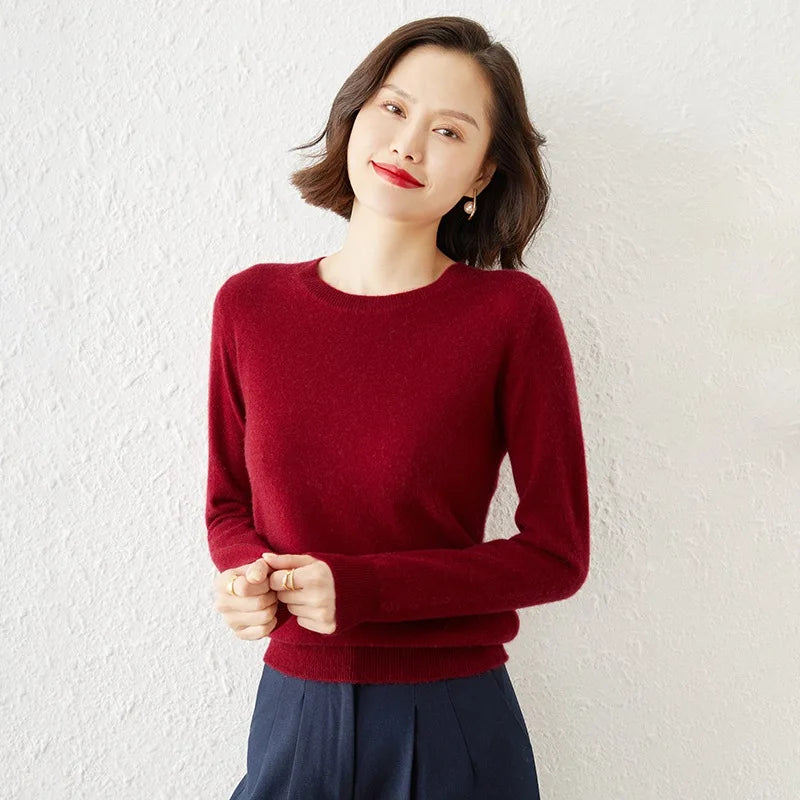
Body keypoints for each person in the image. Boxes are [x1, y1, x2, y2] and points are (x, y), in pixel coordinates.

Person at [205, 15, 590, 800]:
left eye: (448, 131)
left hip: (450, 715)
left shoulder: (510, 315)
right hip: (292, 704)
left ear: (481, 175)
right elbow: (226, 505)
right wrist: (247, 576)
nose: (409, 145)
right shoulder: (250, 305)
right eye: (393, 108)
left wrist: (365, 590)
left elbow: (557, 553)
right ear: (354, 116)